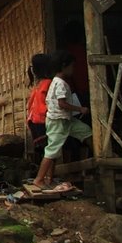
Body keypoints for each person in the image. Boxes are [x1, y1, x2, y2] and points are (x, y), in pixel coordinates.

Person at [29, 51, 91, 191]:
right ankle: (39, 179)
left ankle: (49, 178)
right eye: (72, 66)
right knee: (52, 151)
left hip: (62, 119)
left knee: (86, 133)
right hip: (57, 120)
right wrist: (80, 109)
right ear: (64, 66)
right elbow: (61, 104)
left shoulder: (48, 83)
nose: (73, 70)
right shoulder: (54, 83)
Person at [26, 53, 54, 159]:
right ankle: (47, 173)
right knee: (48, 150)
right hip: (40, 121)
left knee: (46, 150)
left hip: (37, 121)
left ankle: (47, 173)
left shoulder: (42, 84)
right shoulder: (45, 83)